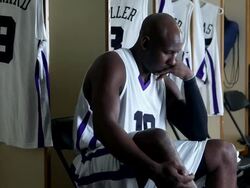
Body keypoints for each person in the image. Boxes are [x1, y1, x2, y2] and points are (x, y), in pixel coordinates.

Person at [71, 13, 237, 188]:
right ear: (145, 43)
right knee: (157, 137)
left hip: (148, 160)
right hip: (97, 159)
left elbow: (199, 133)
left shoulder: (163, 82)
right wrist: (155, 170)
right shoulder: (114, 64)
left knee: (225, 153)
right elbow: (105, 129)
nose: (173, 61)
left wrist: (189, 78)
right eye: (168, 52)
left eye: (176, 54)